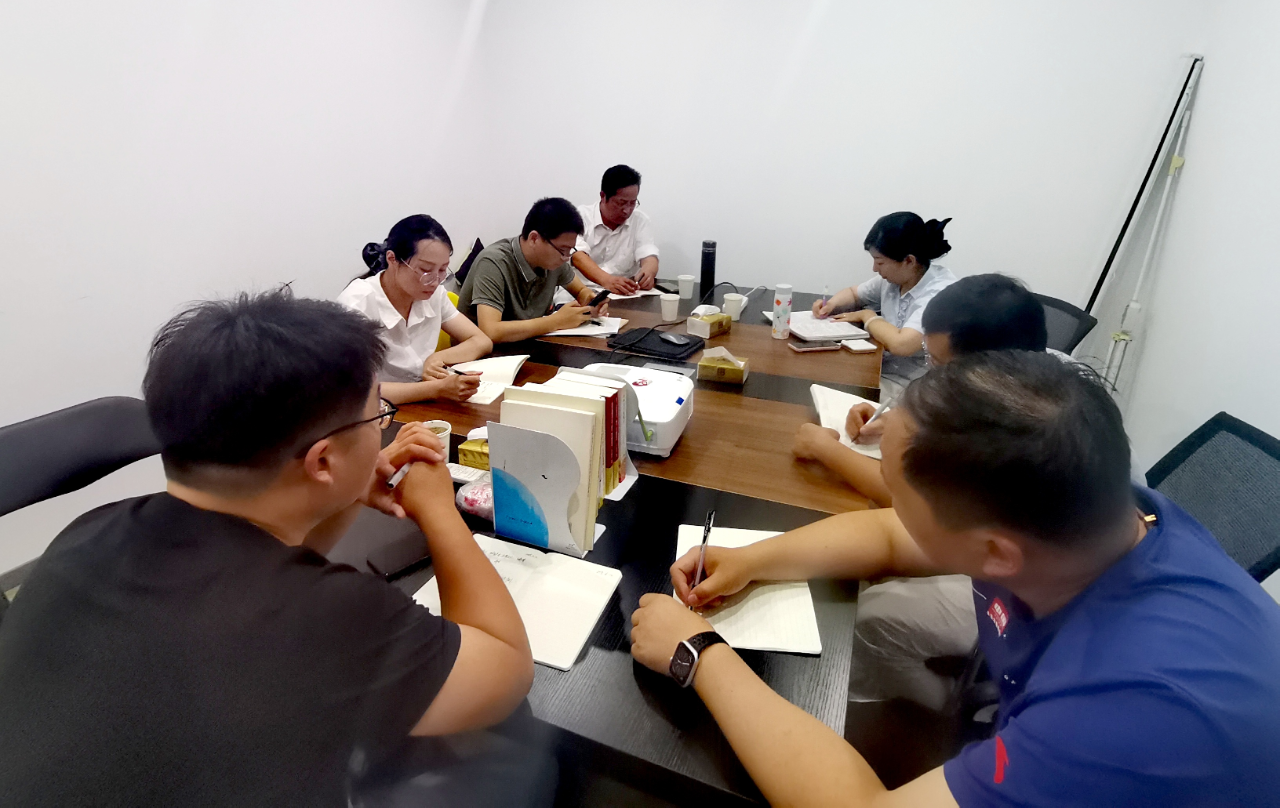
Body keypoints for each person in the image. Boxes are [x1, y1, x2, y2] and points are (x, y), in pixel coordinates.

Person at [631, 351, 1280, 807]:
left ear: (995, 552)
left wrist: (698, 655)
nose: (887, 500)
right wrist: (755, 558)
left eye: (896, 490)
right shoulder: (1091, 510)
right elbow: (892, 537)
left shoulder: (1126, 717)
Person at [0, 290, 538, 807]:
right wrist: (439, 510)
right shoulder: (328, 617)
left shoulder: (87, 530)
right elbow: (506, 670)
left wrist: (343, 490)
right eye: (378, 416)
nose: (382, 430)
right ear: (321, 460)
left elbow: (278, 549)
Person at [794, 274, 1050, 509]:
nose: (931, 370)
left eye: (936, 361)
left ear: (989, 370)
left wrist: (826, 449)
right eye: (928, 355)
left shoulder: (1019, 432)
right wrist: (890, 421)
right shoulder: (996, 390)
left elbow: (920, 505)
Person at [338, 214, 493, 406]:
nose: (435, 281)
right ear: (392, 259)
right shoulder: (357, 304)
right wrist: (437, 389)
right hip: (381, 413)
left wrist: (437, 358)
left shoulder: (434, 295)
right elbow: (355, 391)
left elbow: (481, 341)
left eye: (443, 270)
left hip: (423, 404)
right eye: (425, 270)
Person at [813, 212, 957, 390]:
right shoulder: (895, 279)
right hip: (882, 369)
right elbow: (854, 293)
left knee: (831, 390)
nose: (874, 268)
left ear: (909, 261)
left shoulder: (940, 293)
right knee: (823, 378)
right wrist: (831, 304)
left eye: (880, 262)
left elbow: (901, 344)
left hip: (917, 387)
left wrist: (868, 316)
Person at [456, 197, 609, 344]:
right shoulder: (494, 262)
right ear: (534, 238)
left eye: (570, 250)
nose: (566, 257)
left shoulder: (554, 260)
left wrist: (590, 300)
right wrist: (555, 322)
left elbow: (581, 291)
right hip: (481, 354)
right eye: (563, 250)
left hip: (525, 345)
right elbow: (491, 331)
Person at [569, 164, 660, 296]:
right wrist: (607, 280)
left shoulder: (640, 220)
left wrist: (648, 273)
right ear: (603, 196)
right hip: (580, 292)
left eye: (633, 203)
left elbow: (648, 254)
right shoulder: (579, 217)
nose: (627, 210)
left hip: (623, 295)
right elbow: (577, 256)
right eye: (621, 203)